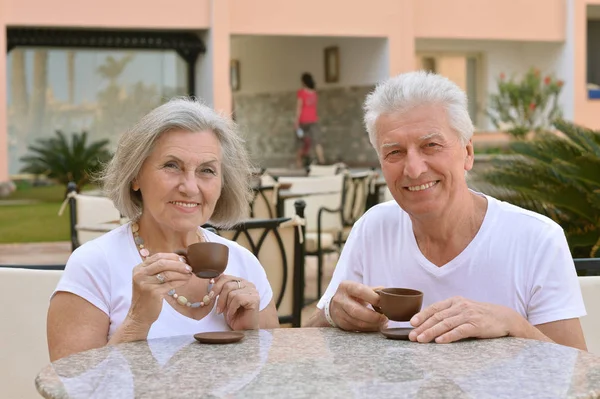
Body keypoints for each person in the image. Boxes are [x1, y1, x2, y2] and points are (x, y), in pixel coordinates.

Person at [306, 71, 587, 351]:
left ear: (467, 153)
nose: (414, 169)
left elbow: (577, 377)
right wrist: (332, 313)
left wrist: (512, 323)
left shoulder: (536, 238)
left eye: (431, 145)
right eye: (395, 152)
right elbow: (305, 347)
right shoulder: (373, 227)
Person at [48, 98, 280, 361]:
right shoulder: (94, 265)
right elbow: (71, 386)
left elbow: (271, 380)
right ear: (135, 175)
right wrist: (136, 322)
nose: (190, 187)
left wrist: (250, 334)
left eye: (207, 170)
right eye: (172, 165)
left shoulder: (244, 264)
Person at [295, 72, 325, 167]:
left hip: (303, 122)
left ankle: (299, 163)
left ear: (303, 82)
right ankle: (321, 160)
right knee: (316, 142)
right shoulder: (314, 93)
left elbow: (299, 108)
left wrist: (296, 122)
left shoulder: (301, 93)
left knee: (301, 142)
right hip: (313, 121)